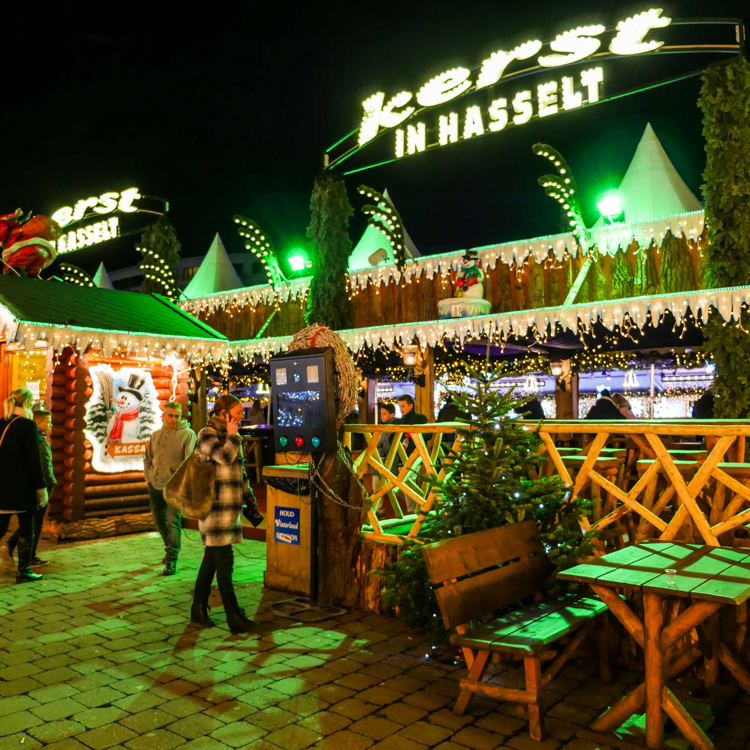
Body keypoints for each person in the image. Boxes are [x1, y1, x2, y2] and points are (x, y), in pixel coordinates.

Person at [191, 394, 258, 634]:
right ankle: (233, 615)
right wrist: (232, 434)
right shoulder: (206, 435)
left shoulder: (231, 438)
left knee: (211, 561)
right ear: (224, 414)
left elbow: (239, 474)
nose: (241, 417)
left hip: (229, 511)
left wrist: (250, 501)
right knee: (225, 563)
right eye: (237, 413)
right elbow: (224, 458)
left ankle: (198, 609)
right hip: (214, 511)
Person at [144, 401, 197, 576]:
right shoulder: (156, 435)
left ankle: (172, 559)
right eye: (170, 415)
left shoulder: (188, 435)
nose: (174, 419)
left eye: (177, 416)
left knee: (173, 522)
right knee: (160, 523)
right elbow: (148, 458)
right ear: (163, 416)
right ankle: (169, 549)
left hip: (174, 488)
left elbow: (190, 462)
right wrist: (149, 478)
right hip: (155, 485)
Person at [0, 389, 47, 583]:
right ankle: (24, 570)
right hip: (21, 486)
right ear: (27, 404)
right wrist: (41, 486)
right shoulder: (27, 426)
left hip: (2, 486)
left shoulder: (2, 423)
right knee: (27, 527)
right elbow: (33, 459)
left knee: (0, 527)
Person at [396, 395, 429, 513]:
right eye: (400, 406)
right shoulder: (399, 421)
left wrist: (415, 434)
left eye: (403, 406)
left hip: (415, 455)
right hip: (401, 455)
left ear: (411, 405)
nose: (401, 409)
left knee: (408, 481)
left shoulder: (420, 418)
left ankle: (413, 509)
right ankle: (416, 507)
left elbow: (429, 434)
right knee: (403, 485)